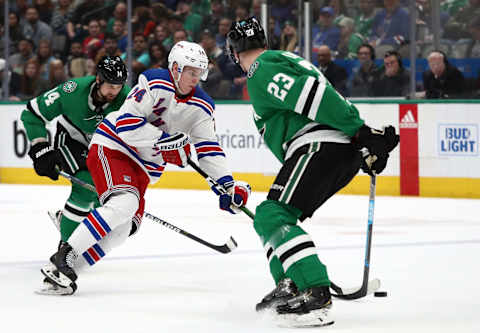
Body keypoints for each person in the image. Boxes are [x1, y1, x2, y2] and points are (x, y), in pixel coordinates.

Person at [39, 41, 252, 296]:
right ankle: (64, 257)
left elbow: (208, 148)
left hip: (145, 167)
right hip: (113, 147)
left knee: (124, 229)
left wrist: (227, 185)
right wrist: (164, 142)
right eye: (191, 71)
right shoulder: (153, 81)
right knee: (125, 203)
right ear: (175, 68)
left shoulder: (203, 106)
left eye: (199, 72)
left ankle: (64, 271)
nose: (196, 78)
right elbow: (126, 124)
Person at [226, 17, 398, 327]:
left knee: (272, 216)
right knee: (273, 216)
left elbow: (312, 97)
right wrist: (362, 140)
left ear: (234, 53)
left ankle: (314, 291)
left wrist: (360, 132)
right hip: (329, 146)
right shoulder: (283, 60)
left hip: (320, 144)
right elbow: (325, 96)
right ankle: (292, 280)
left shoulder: (261, 68)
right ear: (263, 41)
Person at [20, 56, 130, 295]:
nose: (115, 91)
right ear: (98, 79)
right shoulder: (72, 91)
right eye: (110, 85)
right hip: (70, 141)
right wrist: (40, 147)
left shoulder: (127, 98)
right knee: (86, 185)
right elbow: (31, 114)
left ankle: (67, 220)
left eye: (119, 86)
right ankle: (65, 251)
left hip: (101, 147)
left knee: (104, 200)